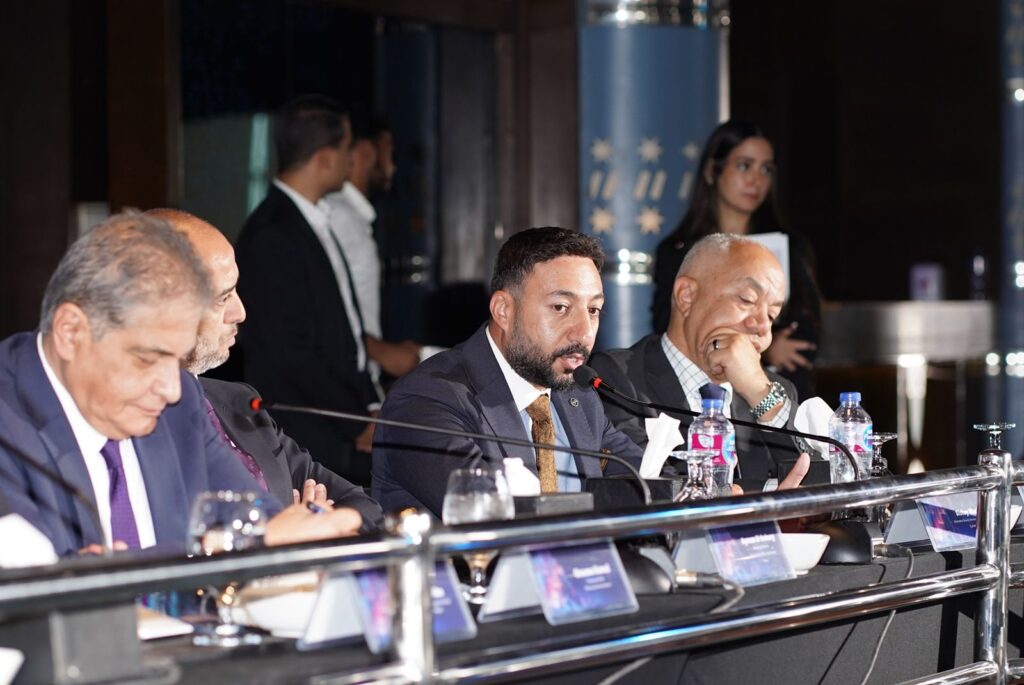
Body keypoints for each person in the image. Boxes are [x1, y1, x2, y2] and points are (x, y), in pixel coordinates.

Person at [0, 212, 362, 557]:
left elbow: (257, 520)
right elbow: (35, 584)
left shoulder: (182, 397)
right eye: (149, 359)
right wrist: (225, 547)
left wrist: (299, 534)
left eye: (177, 359)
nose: (172, 389)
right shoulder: (9, 417)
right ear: (71, 332)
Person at [372, 227, 643, 516]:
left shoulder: (579, 396)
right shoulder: (427, 398)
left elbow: (644, 480)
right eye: (561, 307)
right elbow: (486, 510)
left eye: (593, 310)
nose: (584, 333)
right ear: (503, 310)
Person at [147, 208, 384, 533]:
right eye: (223, 298)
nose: (240, 312)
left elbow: (362, 505)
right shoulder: (138, 418)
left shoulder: (240, 402)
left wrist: (317, 525)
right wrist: (282, 533)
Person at [236, 95, 380, 485]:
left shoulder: (313, 219)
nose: (352, 160)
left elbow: (345, 330)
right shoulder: (273, 233)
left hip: (336, 421)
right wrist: (355, 421)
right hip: (305, 433)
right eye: (347, 149)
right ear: (326, 158)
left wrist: (368, 403)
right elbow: (292, 352)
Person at [592, 233, 810, 492]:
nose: (763, 327)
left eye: (772, 315)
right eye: (747, 300)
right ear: (686, 296)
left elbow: (817, 477)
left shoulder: (771, 390)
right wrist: (751, 504)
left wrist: (759, 393)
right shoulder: (615, 377)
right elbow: (645, 485)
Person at [651, 120, 823, 398]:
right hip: (698, 392)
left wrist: (765, 352)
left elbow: (807, 335)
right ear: (712, 171)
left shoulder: (791, 247)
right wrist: (763, 349)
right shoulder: (678, 251)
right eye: (744, 166)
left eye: (765, 169)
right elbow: (667, 327)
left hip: (779, 390)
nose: (756, 180)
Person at [323, 110, 420, 383]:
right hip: (344, 380)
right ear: (366, 152)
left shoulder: (350, 217)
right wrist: (384, 353)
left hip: (358, 374)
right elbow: (326, 312)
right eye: (388, 152)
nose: (393, 166)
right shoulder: (338, 216)